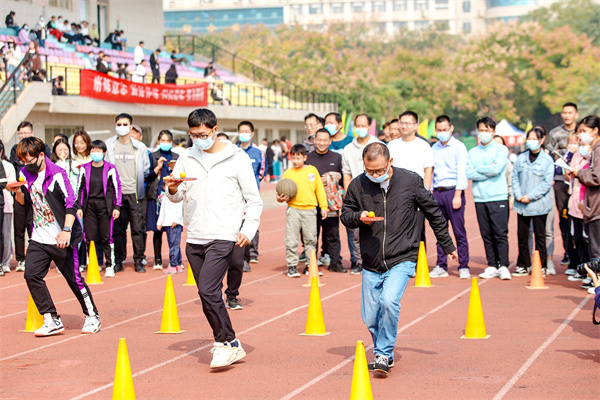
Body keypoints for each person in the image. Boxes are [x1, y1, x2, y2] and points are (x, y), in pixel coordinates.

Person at [341, 142, 457, 373]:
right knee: (370, 316)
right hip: (371, 260)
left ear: (390, 162)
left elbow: (433, 211)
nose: (375, 175)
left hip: (403, 255)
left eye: (379, 170)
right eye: (369, 170)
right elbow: (346, 214)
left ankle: (383, 354)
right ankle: (384, 351)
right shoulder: (358, 184)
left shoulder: (410, 181)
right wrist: (358, 217)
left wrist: (447, 244)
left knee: (389, 301)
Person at [166, 108, 262, 369]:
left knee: (208, 290)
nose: (198, 139)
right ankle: (230, 342)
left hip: (224, 234)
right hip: (195, 235)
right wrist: (172, 190)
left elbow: (254, 199)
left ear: (215, 130)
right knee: (207, 294)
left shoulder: (237, 158)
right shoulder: (186, 156)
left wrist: (248, 230)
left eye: (203, 134)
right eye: (193, 135)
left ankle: (223, 343)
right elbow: (177, 195)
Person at [7, 137, 101, 336]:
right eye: (22, 161)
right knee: (31, 275)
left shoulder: (57, 174)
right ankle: (51, 318)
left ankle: (92, 315)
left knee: (74, 280)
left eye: (29, 161)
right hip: (39, 237)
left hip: (62, 237)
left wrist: (66, 230)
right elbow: (24, 202)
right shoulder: (24, 173)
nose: (26, 165)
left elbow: (71, 204)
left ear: (41, 155)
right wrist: (17, 192)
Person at [104, 113, 150, 273]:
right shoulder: (109, 145)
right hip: (116, 194)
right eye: (119, 124)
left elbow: (145, 169)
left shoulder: (140, 147)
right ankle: (119, 260)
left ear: (130, 127)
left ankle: (139, 260)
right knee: (118, 230)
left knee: (137, 229)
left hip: (134, 193)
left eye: (125, 124)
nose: (122, 127)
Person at [466, 117, 510, 276]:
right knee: (486, 234)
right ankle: (491, 264)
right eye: (481, 130)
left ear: (493, 131)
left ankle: (503, 265)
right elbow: (469, 173)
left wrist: (479, 169)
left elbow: (496, 170)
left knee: (500, 233)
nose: (483, 133)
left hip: (498, 197)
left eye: (487, 130)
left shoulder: (501, 150)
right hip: (480, 198)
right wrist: (488, 169)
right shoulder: (472, 152)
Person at [429, 115, 471, 279]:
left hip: (453, 191)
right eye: (439, 130)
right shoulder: (434, 148)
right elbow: (432, 171)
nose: (442, 133)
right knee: (440, 231)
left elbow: (462, 171)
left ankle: (463, 265)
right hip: (437, 192)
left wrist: (458, 195)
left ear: (451, 128)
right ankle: (441, 265)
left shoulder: (459, 147)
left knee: (459, 232)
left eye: (445, 129)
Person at [278, 144, 328, 278]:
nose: (295, 161)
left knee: (310, 239)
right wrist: (280, 198)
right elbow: (281, 191)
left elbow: (319, 190)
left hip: (310, 210)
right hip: (293, 209)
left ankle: (310, 266)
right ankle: (292, 266)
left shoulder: (312, 170)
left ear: (305, 158)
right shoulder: (288, 173)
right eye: (293, 158)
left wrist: (323, 207)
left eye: (298, 158)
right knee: (291, 239)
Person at [75, 140, 122, 278]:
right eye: (93, 150)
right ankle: (93, 264)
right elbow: (79, 188)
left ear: (104, 152)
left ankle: (109, 266)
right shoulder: (84, 168)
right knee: (90, 237)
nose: (96, 153)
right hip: (89, 207)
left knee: (107, 237)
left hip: (106, 207)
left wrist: (117, 206)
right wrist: (79, 206)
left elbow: (117, 187)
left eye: (99, 150)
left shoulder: (110, 168)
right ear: (90, 152)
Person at [512, 126, 554, 276]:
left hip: (538, 205)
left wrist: (530, 196)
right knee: (522, 236)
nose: (531, 141)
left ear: (541, 140)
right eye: (529, 138)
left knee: (540, 237)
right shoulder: (521, 158)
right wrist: (518, 194)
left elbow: (546, 184)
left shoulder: (547, 160)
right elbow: (514, 177)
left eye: (534, 139)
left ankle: (541, 265)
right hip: (521, 204)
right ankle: (523, 264)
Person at [10, 122, 51, 272]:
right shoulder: (15, 149)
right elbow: (15, 168)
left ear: (32, 133)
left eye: (26, 133)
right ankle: (21, 259)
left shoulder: (41, 147)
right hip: (20, 191)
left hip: (37, 192)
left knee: (33, 225)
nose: (23, 136)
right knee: (19, 227)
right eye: (21, 133)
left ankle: (41, 257)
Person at [341, 114, 380, 274]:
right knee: (355, 233)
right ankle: (358, 262)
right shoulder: (348, 149)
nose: (360, 128)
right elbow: (346, 173)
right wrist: (348, 195)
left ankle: (376, 261)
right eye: (358, 125)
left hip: (375, 193)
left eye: (363, 126)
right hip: (356, 194)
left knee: (376, 229)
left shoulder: (378, 145)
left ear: (369, 126)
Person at [306, 128, 346, 273]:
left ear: (330, 141)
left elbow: (343, 178)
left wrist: (330, 179)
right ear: (314, 140)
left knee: (333, 235)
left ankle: (335, 263)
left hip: (330, 204)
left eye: (325, 140)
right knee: (312, 236)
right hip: (312, 203)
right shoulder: (308, 158)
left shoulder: (337, 158)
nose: (322, 143)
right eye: (319, 140)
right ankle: (311, 265)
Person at [547, 102, 579, 267]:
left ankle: (579, 252)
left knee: (578, 217)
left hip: (578, 180)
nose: (567, 115)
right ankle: (568, 250)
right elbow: (549, 154)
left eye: (570, 112)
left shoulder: (581, 132)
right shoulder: (555, 133)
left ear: (576, 114)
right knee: (564, 216)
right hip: (561, 180)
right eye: (564, 112)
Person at [568, 116, 600, 270]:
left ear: (595, 130)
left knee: (596, 251)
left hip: (597, 207)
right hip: (593, 205)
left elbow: (596, 177)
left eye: (584, 131)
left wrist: (579, 173)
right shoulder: (595, 149)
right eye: (579, 131)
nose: (581, 135)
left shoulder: (598, 150)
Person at [145, 130, 179, 271]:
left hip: (172, 196)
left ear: (172, 142)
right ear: (159, 141)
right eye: (163, 141)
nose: (165, 143)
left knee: (173, 229)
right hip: (156, 196)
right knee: (157, 229)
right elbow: (148, 177)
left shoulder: (176, 157)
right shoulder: (153, 156)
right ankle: (158, 259)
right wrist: (158, 167)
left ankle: (175, 259)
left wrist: (175, 171)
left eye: (168, 141)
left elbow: (181, 176)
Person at [565, 132, 590, 277]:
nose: (582, 147)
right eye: (580, 144)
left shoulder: (593, 159)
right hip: (575, 204)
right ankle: (581, 268)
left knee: (588, 240)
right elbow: (571, 177)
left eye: (584, 144)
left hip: (588, 205)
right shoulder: (576, 156)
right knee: (577, 238)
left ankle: (590, 272)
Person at [156, 180, 183, 274]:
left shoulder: (177, 196)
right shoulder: (164, 198)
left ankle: (173, 264)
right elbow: (162, 211)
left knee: (174, 245)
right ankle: (178, 264)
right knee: (173, 244)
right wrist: (159, 223)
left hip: (175, 224)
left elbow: (179, 209)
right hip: (167, 224)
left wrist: (176, 220)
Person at [1, 141, 15, 275]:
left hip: (5, 204)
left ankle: (5, 262)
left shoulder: (8, 166)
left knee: (5, 235)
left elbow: (10, 184)